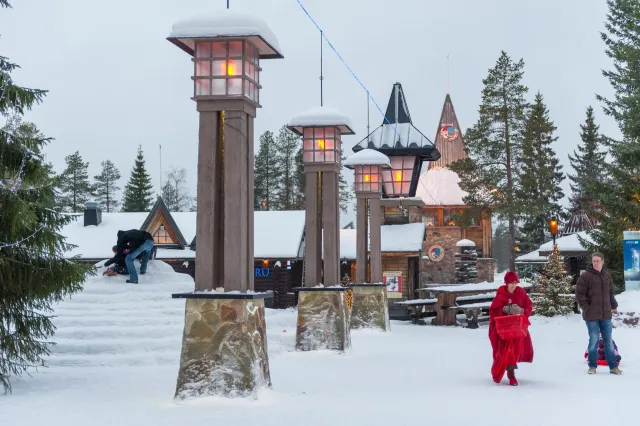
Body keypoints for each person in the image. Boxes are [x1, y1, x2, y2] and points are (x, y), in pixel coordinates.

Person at [575, 251, 622, 375]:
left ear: (602, 261)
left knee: (608, 340)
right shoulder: (585, 276)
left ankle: (613, 366)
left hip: (606, 314)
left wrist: (613, 305)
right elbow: (579, 294)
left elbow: (610, 292)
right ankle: (592, 365)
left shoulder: (606, 275)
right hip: (591, 315)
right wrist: (587, 308)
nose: (596, 263)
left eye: (598, 260)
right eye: (594, 261)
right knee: (594, 340)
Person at [489, 271, 534, 386]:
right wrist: (505, 309)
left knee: (514, 350)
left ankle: (510, 373)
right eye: (511, 283)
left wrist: (522, 311)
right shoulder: (501, 294)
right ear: (506, 283)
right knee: (504, 351)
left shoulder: (521, 292)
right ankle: (505, 373)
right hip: (504, 329)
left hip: (517, 328)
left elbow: (528, 305)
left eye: (515, 282)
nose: (513, 285)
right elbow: (493, 311)